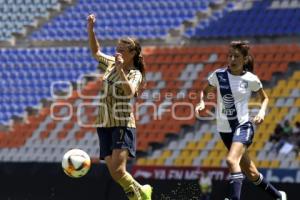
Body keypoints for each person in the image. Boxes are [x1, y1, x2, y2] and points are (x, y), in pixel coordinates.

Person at [195, 41, 287, 200]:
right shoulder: (218, 75)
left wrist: (262, 112)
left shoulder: (251, 79)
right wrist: (202, 101)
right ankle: (278, 196)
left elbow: (264, 98)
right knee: (251, 173)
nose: (232, 59)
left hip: (243, 126)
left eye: (236, 56)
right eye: (230, 56)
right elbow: (205, 91)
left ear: (245, 59)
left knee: (231, 160)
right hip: (224, 130)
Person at [87, 14, 152, 200]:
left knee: (118, 169)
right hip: (103, 122)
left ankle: (137, 197)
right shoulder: (110, 64)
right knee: (115, 173)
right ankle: (142, 191)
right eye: (116, 50)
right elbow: (95, 52)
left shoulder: (134, 73)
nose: (117, 53)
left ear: (132, 54)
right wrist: (91, 30)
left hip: (122, 122)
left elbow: (130, 91)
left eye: (122, 50)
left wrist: (121, 69)